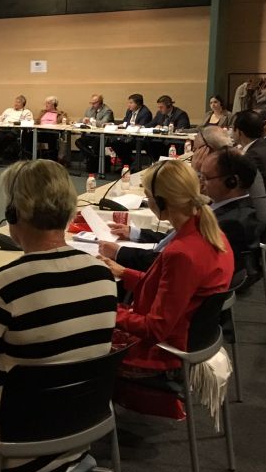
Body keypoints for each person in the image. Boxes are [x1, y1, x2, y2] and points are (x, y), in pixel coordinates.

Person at [0, 160, 117, 472]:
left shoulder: (4, 285)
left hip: (10, 450)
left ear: (15, 214)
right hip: (80, 434)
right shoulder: (102, 274)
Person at [99, 161, 233, 376]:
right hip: (186, 336)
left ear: (161, 202)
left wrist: (104, 310)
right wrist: (124, 273)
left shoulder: (182, 253)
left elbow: (154, 329)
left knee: (80, 337)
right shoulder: (211, 233)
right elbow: (173, 289)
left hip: (163, 352)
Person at [99, 148, 260, 272]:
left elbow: (171, 261)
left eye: (205, 178)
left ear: (232, 182)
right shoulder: (220, 209)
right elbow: (175, 238)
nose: (200, 184)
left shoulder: (232, 223)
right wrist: (135, 233)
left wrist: (119, 253)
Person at [232, 110, 266, 223]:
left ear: (239, 132)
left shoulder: (253, 155)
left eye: (233, 128)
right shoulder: (265, 146)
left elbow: (237, 187)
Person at [108, 93, 153, 170]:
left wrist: (129, 126)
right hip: (128, 136)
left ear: (138, 104)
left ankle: (129, 164)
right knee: (113, 141)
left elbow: (140, 127)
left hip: (139, 139)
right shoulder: (129, 111)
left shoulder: (145, 113)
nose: (128, 105)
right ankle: (127, 163)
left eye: (131, 103)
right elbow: (125, 122)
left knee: (120, 143)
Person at [76, 94, 115, 173]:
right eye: (91, 103)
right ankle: (94, 157)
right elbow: (81, 120)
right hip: (90, 134)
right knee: (78, 142)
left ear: (100, 102)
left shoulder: (107, 111)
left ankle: (94, 160)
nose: (92, 105)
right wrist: (83, 120)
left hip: (102, 136)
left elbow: (103, 123)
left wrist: (91, 121)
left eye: (94, 103)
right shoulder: (89, 109)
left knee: (96, 144)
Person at [145, 95, 190, 160]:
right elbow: (152, 123)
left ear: (169, 106)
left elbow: (182, 129)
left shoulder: (181, 114)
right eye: (159, 107)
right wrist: (142, 127)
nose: (159, 109)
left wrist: (163, 128)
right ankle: (156, 162)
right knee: (147, 142)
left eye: (161, 107)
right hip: (161, 140)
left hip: (175, 141)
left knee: (159, 145)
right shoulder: (159, 113)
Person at [0, 95, 34, 162]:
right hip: (4, 128)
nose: (16, 104)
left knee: (8, 136)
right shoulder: (8, 110)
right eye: (15, 102)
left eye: (18, 102)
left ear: (23, 104)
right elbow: (0, 119)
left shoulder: (27, 112)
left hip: (16, 129)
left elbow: (28, 123)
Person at [30, 95, 68, 161]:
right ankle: (29, 158)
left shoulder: (61, 114)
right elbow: (36, 121)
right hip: (40, 132)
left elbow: (67, 122)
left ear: (54, 104)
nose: (46, 105)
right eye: (46, 103)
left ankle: (53, 160)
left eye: (48, 103)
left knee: (52, 137)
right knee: (27, 135)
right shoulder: (42, 112)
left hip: (52, 133)